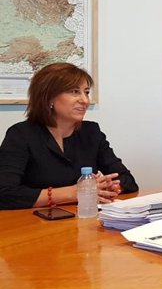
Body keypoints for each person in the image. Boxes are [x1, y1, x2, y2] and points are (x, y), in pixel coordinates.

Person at [0, 63, 138, 210]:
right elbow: (4, 194)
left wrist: (105, 187)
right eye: (74, 91)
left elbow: (127, 181)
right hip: (35, 224)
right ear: (49, 98)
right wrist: (73, 193)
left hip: (82, 220)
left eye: (86, 92)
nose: (85, 100)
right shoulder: (21, 135)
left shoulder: (91, 132)